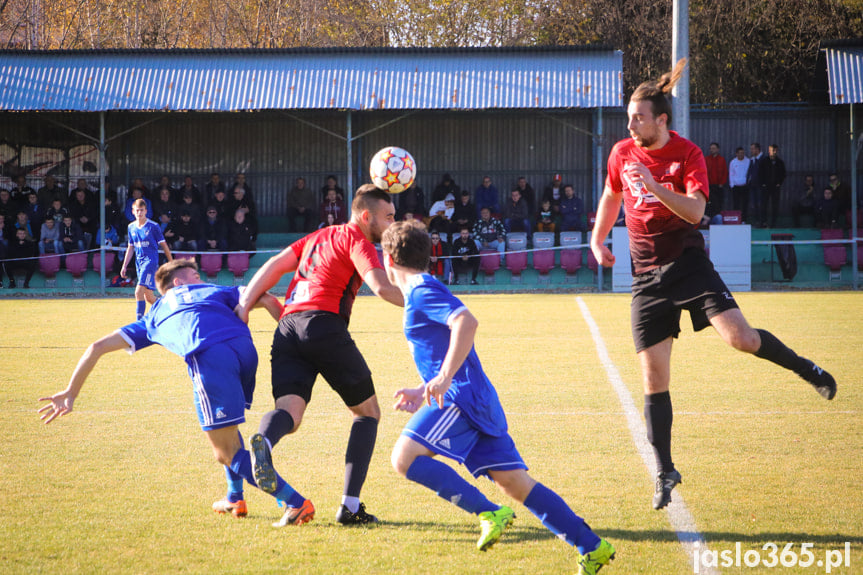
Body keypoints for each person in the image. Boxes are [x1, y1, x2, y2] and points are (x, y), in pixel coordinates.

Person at [590, 58, 837, 512]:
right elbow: (612, 194)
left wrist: (656, 185)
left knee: (741, 339)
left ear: (661, 120)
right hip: (645, 278)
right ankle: (665, 471)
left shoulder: (688, 155)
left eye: (638, 117)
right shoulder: (622, 152)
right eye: (628, 117)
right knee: (653, 376)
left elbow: (696, 212)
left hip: (688, 265)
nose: (630, 125)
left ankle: (808, 369)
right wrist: (597, 236)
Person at [381, 220, 615, 574]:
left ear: (387, 258)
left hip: (461, 399)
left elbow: (466, 322)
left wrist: (443, 379)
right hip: (475, 398)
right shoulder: (423, 286)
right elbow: (442, 344)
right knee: (515, 483)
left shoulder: (419, 290)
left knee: (404, 458)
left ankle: (489, 513)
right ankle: (592, 547)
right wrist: (423, 386)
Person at [37, 259, 315, 526]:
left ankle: (294, 501)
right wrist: (295, 343)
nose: (200, 280)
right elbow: (265, 298)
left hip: (210, 356)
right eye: (195, 276)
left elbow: (97, 347)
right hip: (245, 351)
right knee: (226, 426)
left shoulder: (156, 313)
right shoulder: (216, 290)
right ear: (178, 281)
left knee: (225, 453)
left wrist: (70, 392)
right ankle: (234, 498)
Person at [234, 184, 404, 526]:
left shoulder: (318, 236)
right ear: (365, 215)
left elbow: (274, 265)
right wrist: (432, 302)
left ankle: (264, 440)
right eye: (388, 217)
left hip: (286, 328)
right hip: (323, 326)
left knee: (289, 414)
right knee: (367, 414)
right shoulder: (358, 240)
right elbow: (382, 287)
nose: (392, 225)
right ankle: (350, 506)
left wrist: (244, 304)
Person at [121, 198, 173, 320]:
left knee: (138, 292)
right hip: (139, 263)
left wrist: (171, 262)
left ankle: (139, 323)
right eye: (137, 210)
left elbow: (164, 245)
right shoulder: (131, 227)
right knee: (149, 297)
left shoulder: (153, 226)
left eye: (142, 210)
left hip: (150, 262)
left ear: (146, 211)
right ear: (133, 211)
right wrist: (124, 266)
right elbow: (131, 247)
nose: (139, 213)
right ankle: (168, 309)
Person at [760, 144, 786, 228]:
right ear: (769, 151)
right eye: (771, 150)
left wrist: (779, 183)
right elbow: (760, 173)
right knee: (764, 204)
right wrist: (763, 183)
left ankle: (773, 223)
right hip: (766, 186)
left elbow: (783, 174)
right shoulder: (764, 161)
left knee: (775, 205)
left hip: (775, 187)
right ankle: (763, 222)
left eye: (775, 150)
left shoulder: (780, 162)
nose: (773, 152)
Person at [704, 142, 728, 226]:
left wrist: (722, 183)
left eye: (714, 148)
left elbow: (725, 172)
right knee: (709, 203)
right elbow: (704, 172)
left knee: (719, 203)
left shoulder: (722, 160)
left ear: (718, 149)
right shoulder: (706, 159)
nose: (712, 150)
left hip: (719, 186)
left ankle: (718, 220)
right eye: (711, 148)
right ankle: (708, 218)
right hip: (709, 186)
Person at [728, 147, 750, 222]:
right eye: (739, 153)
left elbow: (749, 174)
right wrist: (732, 185)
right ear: (736, 153)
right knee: (736, 204)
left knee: (744, 204)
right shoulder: (733, 162)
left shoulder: (748, 161)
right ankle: (736, 220)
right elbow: (731, 174)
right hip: (736, 186)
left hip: (745, 186)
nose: (741, 154)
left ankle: (744, 220)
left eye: (742, 153)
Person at [748, 143, 765, 225]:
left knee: (760, 203)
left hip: (760, 185)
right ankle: (757, 221)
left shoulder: (763, 159)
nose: (751, 151)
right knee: (754, 204)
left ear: (757, 149)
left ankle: (762, 221)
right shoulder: (752, 159)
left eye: (752, 149)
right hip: (753, 185)